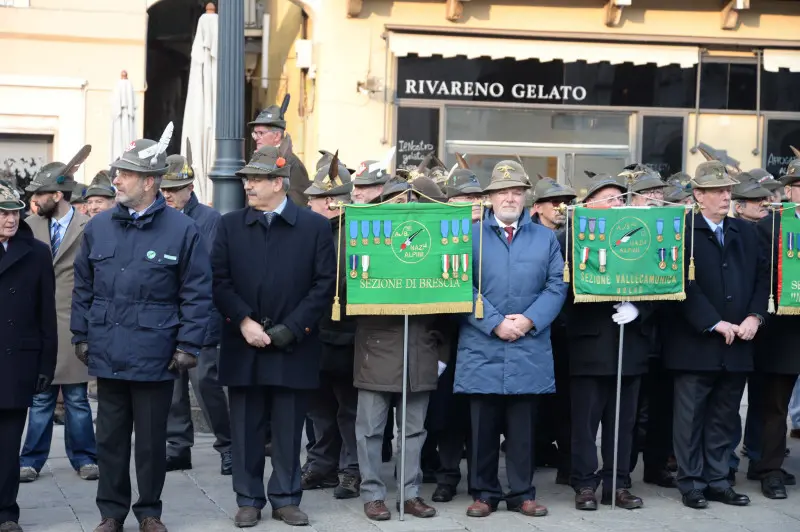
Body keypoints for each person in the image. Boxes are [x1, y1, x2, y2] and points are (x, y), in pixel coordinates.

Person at [71, 134, 213, 532]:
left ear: (149, 181)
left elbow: (197, 291)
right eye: (118, 173)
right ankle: (111, 514)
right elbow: (82, 286)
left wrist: (189, 344)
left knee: (151, 444)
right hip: (108, 349)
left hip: (156, 353)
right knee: (110, 442)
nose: (116, 180)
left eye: (126, 174)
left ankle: (150, 511)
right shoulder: (98, 227)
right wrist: (80, 334)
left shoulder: (182, 230)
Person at [211, 145, 336, 528]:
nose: (248, 185)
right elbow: (219, 280)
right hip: (242, 343)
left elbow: (323, 284)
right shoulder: (230, 224)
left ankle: (285, 497)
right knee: (246, 428)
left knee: (287, 426)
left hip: (292, 346)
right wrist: (244, 322)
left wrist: (292, 328)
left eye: (256, 178)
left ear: (279, 183)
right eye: (246, 178)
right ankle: (248, 498)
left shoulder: (312, 226)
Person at [455, 161, 567, 519]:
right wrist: (493, 323)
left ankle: (522, 492)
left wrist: (530, 319)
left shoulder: (545, 237)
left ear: (525, 198)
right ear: (489, 198)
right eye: (503, 191)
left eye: (517, 191)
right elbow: (459, 284)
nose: (510, 197)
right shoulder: (468, 235)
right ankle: (484, 493)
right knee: (482, 429)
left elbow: (557, 284)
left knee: (524, 428)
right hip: (482, 345)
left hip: (528, 345)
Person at [661, 161, 769, 510]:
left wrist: (755, 316)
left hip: (739, 341)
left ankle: (718, 480)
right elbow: (678, 283)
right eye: (718, 191)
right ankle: (691, 483)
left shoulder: (745, 232)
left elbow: (762, 279)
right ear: (698, 196)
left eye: (727, 191)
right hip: (696, 343)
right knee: (690, 419)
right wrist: (712, 321)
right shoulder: (681, 230)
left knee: (725, 416)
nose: (726, 197)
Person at [353, 175, 442, 522]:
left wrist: (441, 354)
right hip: (377, 346)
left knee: (415, 431)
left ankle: (410, 493)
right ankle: (373, 493)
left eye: (411, 201)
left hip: (420, 346)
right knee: (371, 430)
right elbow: (347, 292)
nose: (404, 207)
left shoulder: (434, 243)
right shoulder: (366, 240)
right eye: (396, 201)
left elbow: (449, 307)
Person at [559, 174, 648, 511]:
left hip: (630, 345)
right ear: (590, 203)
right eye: (609, 198)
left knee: (623, 424)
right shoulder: (572, 238)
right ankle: (584, 483)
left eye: (620, 198)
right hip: (589, 344)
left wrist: (639, 308)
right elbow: (562, 290)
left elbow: (660, 280)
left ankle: (618, 484)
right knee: (585, 424)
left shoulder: (641, 237)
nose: (617, 204)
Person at [20, 160, 98, 484]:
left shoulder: (88, 226)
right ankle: (31, 460)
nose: (34, 201)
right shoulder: (28, 225)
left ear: (57, 194)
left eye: (39, 194)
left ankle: (84, 458)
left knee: (77, 397)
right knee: (40, 397)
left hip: (74, 320)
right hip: (37, 321)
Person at [160, 153, 232, 476]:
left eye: (174, 189)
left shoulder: (208, 219)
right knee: (173, 387)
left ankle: (229, 446)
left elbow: (213, 273)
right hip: (168, 315)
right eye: (164, 189)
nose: (168, 195)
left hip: (201, 315)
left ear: (190, 186)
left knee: (206, 385)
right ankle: (178, 448)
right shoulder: (160, 217)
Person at [301, 153, 361, 499]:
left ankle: (351, 470)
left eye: (314, 198)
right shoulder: (311, 231)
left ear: (332, 202)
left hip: (350, 337)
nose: (309, 203)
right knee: (319, 408)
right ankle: (322, 464)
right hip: (315, 336)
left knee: (350, 410)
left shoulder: (358, 234)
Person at [0, 180, 57, 532]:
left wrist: (45, 363)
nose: (10, 219)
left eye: (14, 213)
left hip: (15, 361)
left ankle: (6, 512)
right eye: (3, 213)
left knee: (8, 445)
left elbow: (45, 313)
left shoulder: (36, 252)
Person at [751, 159, 800, 499]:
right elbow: (760, 277)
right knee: (775, 405)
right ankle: (769, 468)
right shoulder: (771, 226)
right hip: (784, 329)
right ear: (788, 191)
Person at [529, 177, 576, 482]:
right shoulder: (528, 237)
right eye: (554, 202)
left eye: (566, 202)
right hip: (533, 328)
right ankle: (536, 449)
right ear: (537, 208)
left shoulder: (573, 237)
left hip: (566, 331)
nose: (561, 208)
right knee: (534, 401)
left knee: (567, 401)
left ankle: (567, 463)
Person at [249, 99, 310, 208]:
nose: (256, 138)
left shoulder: (292, 163)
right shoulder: (260, 159)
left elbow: (297, 204)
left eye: (261, 133)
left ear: (277, 136)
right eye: (255, 134)